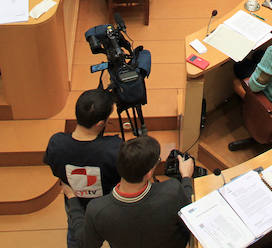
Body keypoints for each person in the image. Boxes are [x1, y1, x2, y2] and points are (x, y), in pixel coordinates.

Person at [66, 134, 195, 248]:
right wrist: (186, 178)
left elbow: (85, 244)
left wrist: (73, 200)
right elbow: (191, 216)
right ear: (149, 173)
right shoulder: (172, 191)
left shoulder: (97, 210)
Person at [44, 89, 123, 247]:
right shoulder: (115, 148)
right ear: (101, 123)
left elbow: (55, 169)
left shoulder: (56, 143)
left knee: (77, 238)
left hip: (75, 206)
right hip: (107, 208)